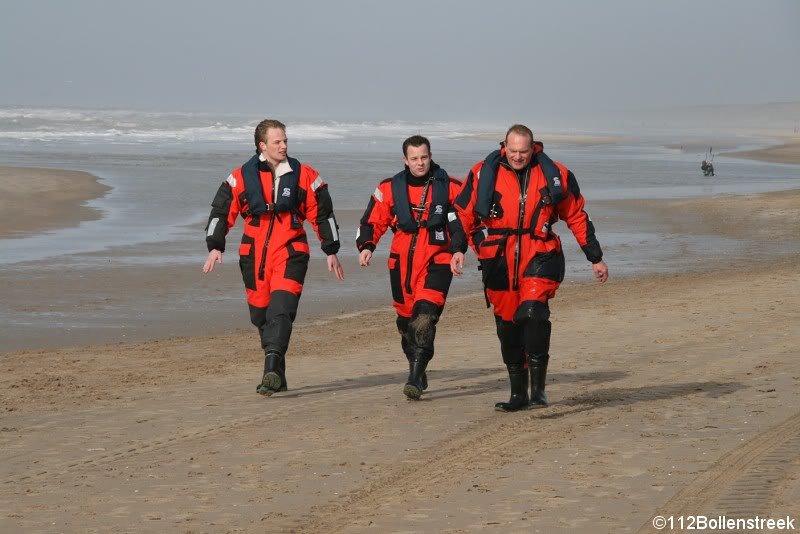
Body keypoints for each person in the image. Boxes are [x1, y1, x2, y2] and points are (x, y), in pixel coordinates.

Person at [450, 124, 608, 412]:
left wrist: (594, 257)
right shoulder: (482, 173)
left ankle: (539, 391)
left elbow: (576, 216)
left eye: (523, 151)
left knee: (533, 313)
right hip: (498, 259)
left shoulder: (556, 173)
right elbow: (462, 215)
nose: (518, 157)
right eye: (513, 151)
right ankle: (518, 395)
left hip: (541, 253)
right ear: (504, 147)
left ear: (533, 148)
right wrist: (458, 250)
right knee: (508, 330)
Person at [202, 119, 345, 396]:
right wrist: (215, 245)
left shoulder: (304, 175)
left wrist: (331, 250)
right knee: (262, 316)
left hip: (292, 251)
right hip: (253, 255)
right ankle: (277, 372)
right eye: (277, 141)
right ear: (262, 145)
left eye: (286, 141)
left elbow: (323, 214)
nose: (283, 146)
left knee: (281, 310)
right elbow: (221, 212)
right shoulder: (240, 176)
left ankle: (269, 370)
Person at [357, 135, 466, 400]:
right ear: (405, 160)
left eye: (424, 157)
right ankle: (417, 365)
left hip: (438, 260)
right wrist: (367, 246)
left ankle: (415, 379)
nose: (420, 163)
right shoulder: (389, 187)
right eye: (414, 158)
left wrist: (459, 250)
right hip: (401, 262)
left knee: (424, 318)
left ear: (431, 156)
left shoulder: (451, 187)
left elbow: (466, 222)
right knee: (407, 324)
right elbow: (371, 221)